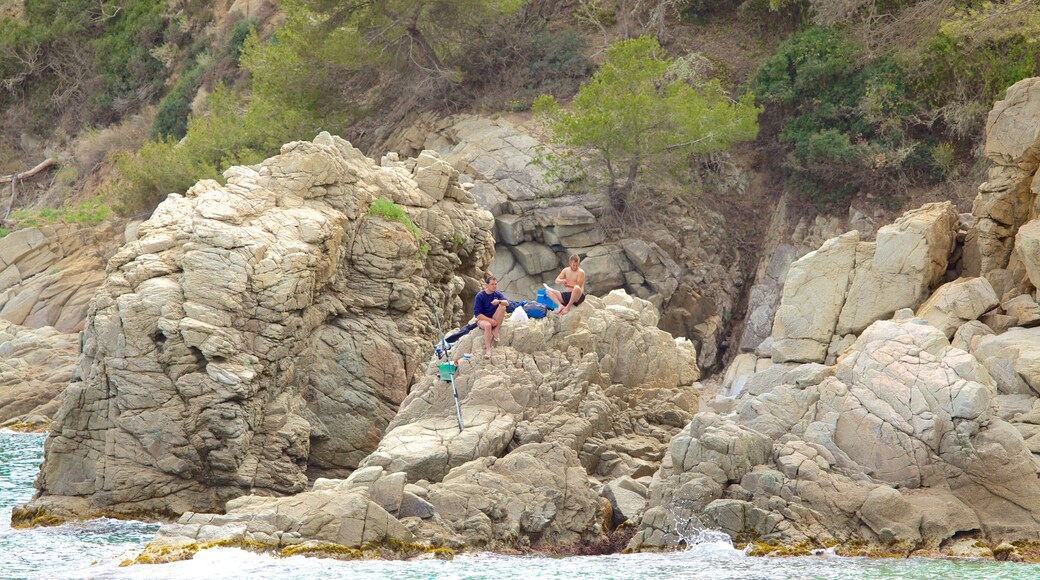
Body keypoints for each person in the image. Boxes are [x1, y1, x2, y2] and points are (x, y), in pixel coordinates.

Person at [474, 275, 508, 359]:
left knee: (502, 306)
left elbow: (507, 303)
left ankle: (496, 330)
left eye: (495, 284)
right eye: (492, 284)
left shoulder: (497, 294)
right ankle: (488, 350)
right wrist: (490, 321)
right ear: (487, 285)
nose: (494, 286)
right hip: (482, 319)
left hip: (493, 317)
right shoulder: (480, 296)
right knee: (488, 325)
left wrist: (499, 301)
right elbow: (478, 314)